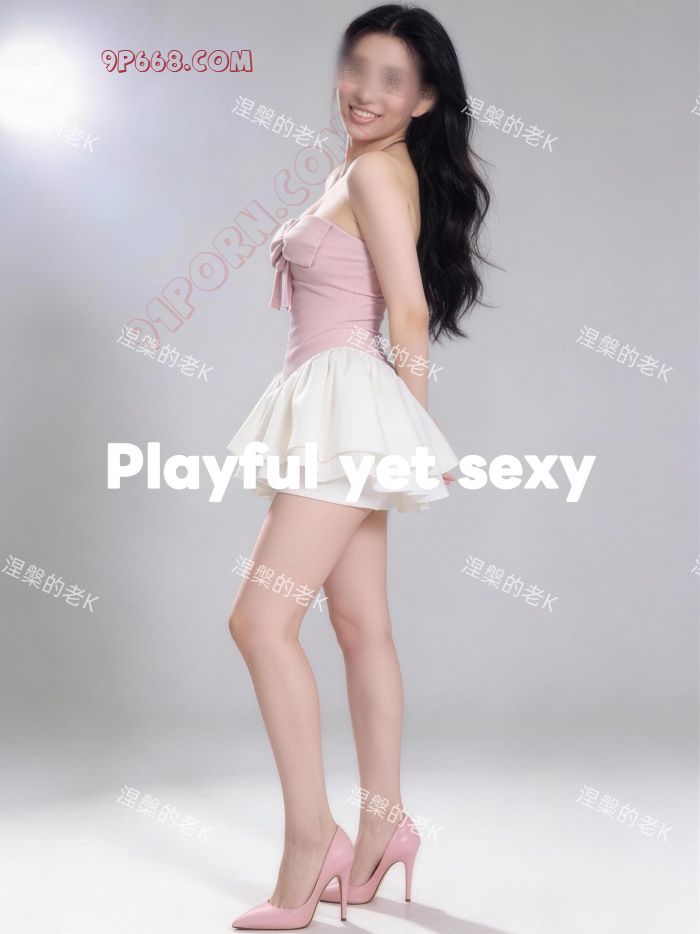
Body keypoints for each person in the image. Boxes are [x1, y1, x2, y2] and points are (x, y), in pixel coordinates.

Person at [227, 4, 491, 928]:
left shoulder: (377, 170)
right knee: (360, 624)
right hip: (338, 402)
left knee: (260, 621)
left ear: (425, 99)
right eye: (357, 68)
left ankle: (313, 842)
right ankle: (385, 826)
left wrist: (411, 431)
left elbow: (407, 311)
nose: (365, 91)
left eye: (392, 79)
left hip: (347, 404)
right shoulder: (366, 166)